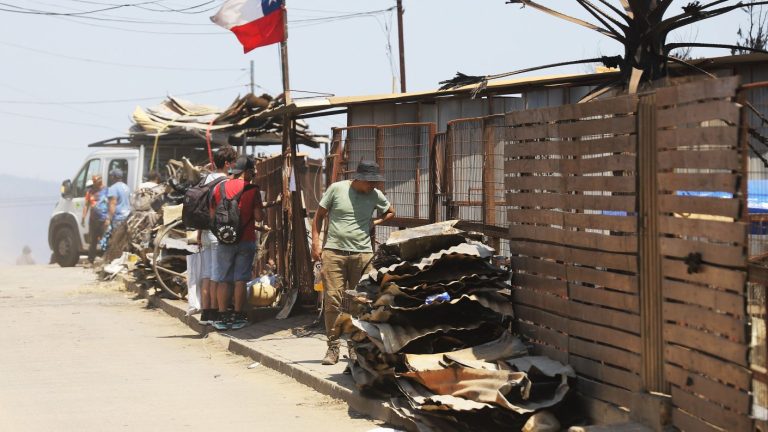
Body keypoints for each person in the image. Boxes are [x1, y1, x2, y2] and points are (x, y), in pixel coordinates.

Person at [311, 160, 395, 365]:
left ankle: (355, 347)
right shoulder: (336, 189)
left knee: (360, 302)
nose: (373, 186)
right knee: (333, 301)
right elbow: (318, 216)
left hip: (363, 255)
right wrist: (316, 243)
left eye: (375, 182)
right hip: (334, 253)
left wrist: (373, 222)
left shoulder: (375, 195)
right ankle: (332, 348)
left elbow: (390, 212)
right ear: (359, 179)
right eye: (370, 182)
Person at [210, 155, 264, 331]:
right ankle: (239, 316)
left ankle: (222, 316)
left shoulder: (219, 188)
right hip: (246, 239)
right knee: (240, 279)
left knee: (223, 279)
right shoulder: (252, 189)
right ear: (247, 171)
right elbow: (258, 217)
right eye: (252, 171)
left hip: (224, 239)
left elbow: (212, 216)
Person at [198, 144, 238, 326]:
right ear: (228, 163)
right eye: (234, 162)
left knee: (206, 274)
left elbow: (202, 211)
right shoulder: (224, 183)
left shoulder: (205, 179)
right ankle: (216, 316)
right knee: (217, 275)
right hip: (217, 234)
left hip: (204, 232)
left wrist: (199, 233)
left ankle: (206, 315)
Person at [82, 174, 107, 264]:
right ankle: (91, 259)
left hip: (104, 220)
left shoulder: (106, 190)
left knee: (105, 239)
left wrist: (109, 218)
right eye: (94, 182)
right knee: (93, 240)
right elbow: (86, 205)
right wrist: (83, 218)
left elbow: (111, 203)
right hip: (93, 220)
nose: (95, 184)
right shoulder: (90, 192)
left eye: (97, 182)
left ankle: (106, 258)